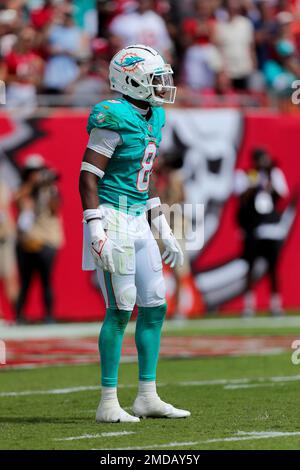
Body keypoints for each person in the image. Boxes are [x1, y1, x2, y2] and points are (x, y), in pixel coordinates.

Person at [79, 44, 190, 423]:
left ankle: (147, 395)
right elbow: (88, 176)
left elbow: (145, 180)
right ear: (132, 79)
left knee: (155, 304)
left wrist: (163, 228)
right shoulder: (112, 116)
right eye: (156, 79)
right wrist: (94, 225)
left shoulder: (154, 117)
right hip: (112, 217)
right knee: (120, 309)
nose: (163, 86)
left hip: (140, 219)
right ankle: (108, 402)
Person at [235, 148, 289, 317]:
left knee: (273, 268)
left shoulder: (274, 173)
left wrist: (269, 184)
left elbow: (283, 194)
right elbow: (239, 194)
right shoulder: (246, 174)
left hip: (272, 228)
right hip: (253, 229)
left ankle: (275, 304)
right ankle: (249, 305)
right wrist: (255, 184)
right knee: (251, 267)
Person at [15, 154, 64, 324]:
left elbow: (55, 209)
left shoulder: (50, 189)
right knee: (25, 282)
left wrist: (48, 185)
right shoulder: (24, 188)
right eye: (32, 172)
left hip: (47, 241)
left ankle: (49, 316)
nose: (35, 174)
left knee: (46, 281)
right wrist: (33, 185)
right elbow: (18, 199)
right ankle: (19, 316)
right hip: (26, 242)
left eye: (38, 171)